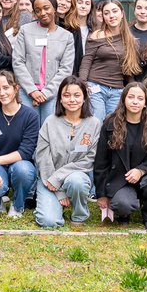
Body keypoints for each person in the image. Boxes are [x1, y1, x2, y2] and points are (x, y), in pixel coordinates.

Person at [93, 82, 147, 229]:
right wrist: (101, 193)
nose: (135, 101)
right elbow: (101, 161)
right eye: (131, 97)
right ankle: (124, 213)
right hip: (120, 180)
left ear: (145, 103)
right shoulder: (110, 124)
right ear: (123, 99)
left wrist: (141, 170)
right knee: (122, 204)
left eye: (140, 98)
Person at [34, 77, 100, 228]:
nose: (72, 100)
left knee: (77, 181)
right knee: (49, 222)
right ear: (60, 99)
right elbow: (43, 157)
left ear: (84, 98)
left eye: (77, 95)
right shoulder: (50, 122)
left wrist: (60, 176)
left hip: (76, 177)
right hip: (48, 179)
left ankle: (79, 215)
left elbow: (90, 158)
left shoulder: (94, 123)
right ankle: (54, 205)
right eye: (66, 95)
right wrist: (59, 191)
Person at [0, 71, 40, 218]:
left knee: (23, 171)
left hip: (19, 164)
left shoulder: (30, 116)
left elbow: (26, 151)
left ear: (16, 88)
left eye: (6, 87)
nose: (2, 93)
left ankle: (18, 205)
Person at [13, 0, 75, 119]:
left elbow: (66, 69)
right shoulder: (25, 30)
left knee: (49, 132)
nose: (42, 13)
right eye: (38, 10)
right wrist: (32, 91)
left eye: (46, 8)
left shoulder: (66, 36)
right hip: (27, 92)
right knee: (29, 130)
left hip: (53, 94)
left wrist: (45, 94)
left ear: (54, 8)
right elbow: (18, 61)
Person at [79, 0, 141, 119]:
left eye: (114, 11)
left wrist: (134, 89)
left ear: (122, 13)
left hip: (117, 91)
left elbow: (128, 71)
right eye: (106, 13)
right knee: (97, 121)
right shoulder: (96, 35)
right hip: (96, 87)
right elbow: (86, 62)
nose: (111, 16)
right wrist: (82, 85)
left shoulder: (130, 40)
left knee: (113, 125)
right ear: (103, 17)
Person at [53, 0, 84, 68]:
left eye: (68, 1)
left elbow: (77, 56)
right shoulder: (44, 23)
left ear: (72, 5)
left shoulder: (74, 28)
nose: (63, 3)